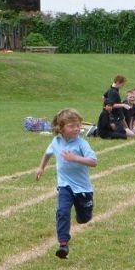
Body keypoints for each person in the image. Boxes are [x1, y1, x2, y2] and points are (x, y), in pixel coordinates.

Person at [35, 108, 98, 259]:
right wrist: (41, 167)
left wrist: (75, 158)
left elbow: (93, 162)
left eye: (78, 125)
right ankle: (63, 244)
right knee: (62, 211)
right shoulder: (56, 142)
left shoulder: (82, 144)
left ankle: (83, 215)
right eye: (72, 126)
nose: (77, 128)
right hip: (65, 186)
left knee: (84, 219)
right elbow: (48, 153)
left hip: (83, 189)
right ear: (61, 128)